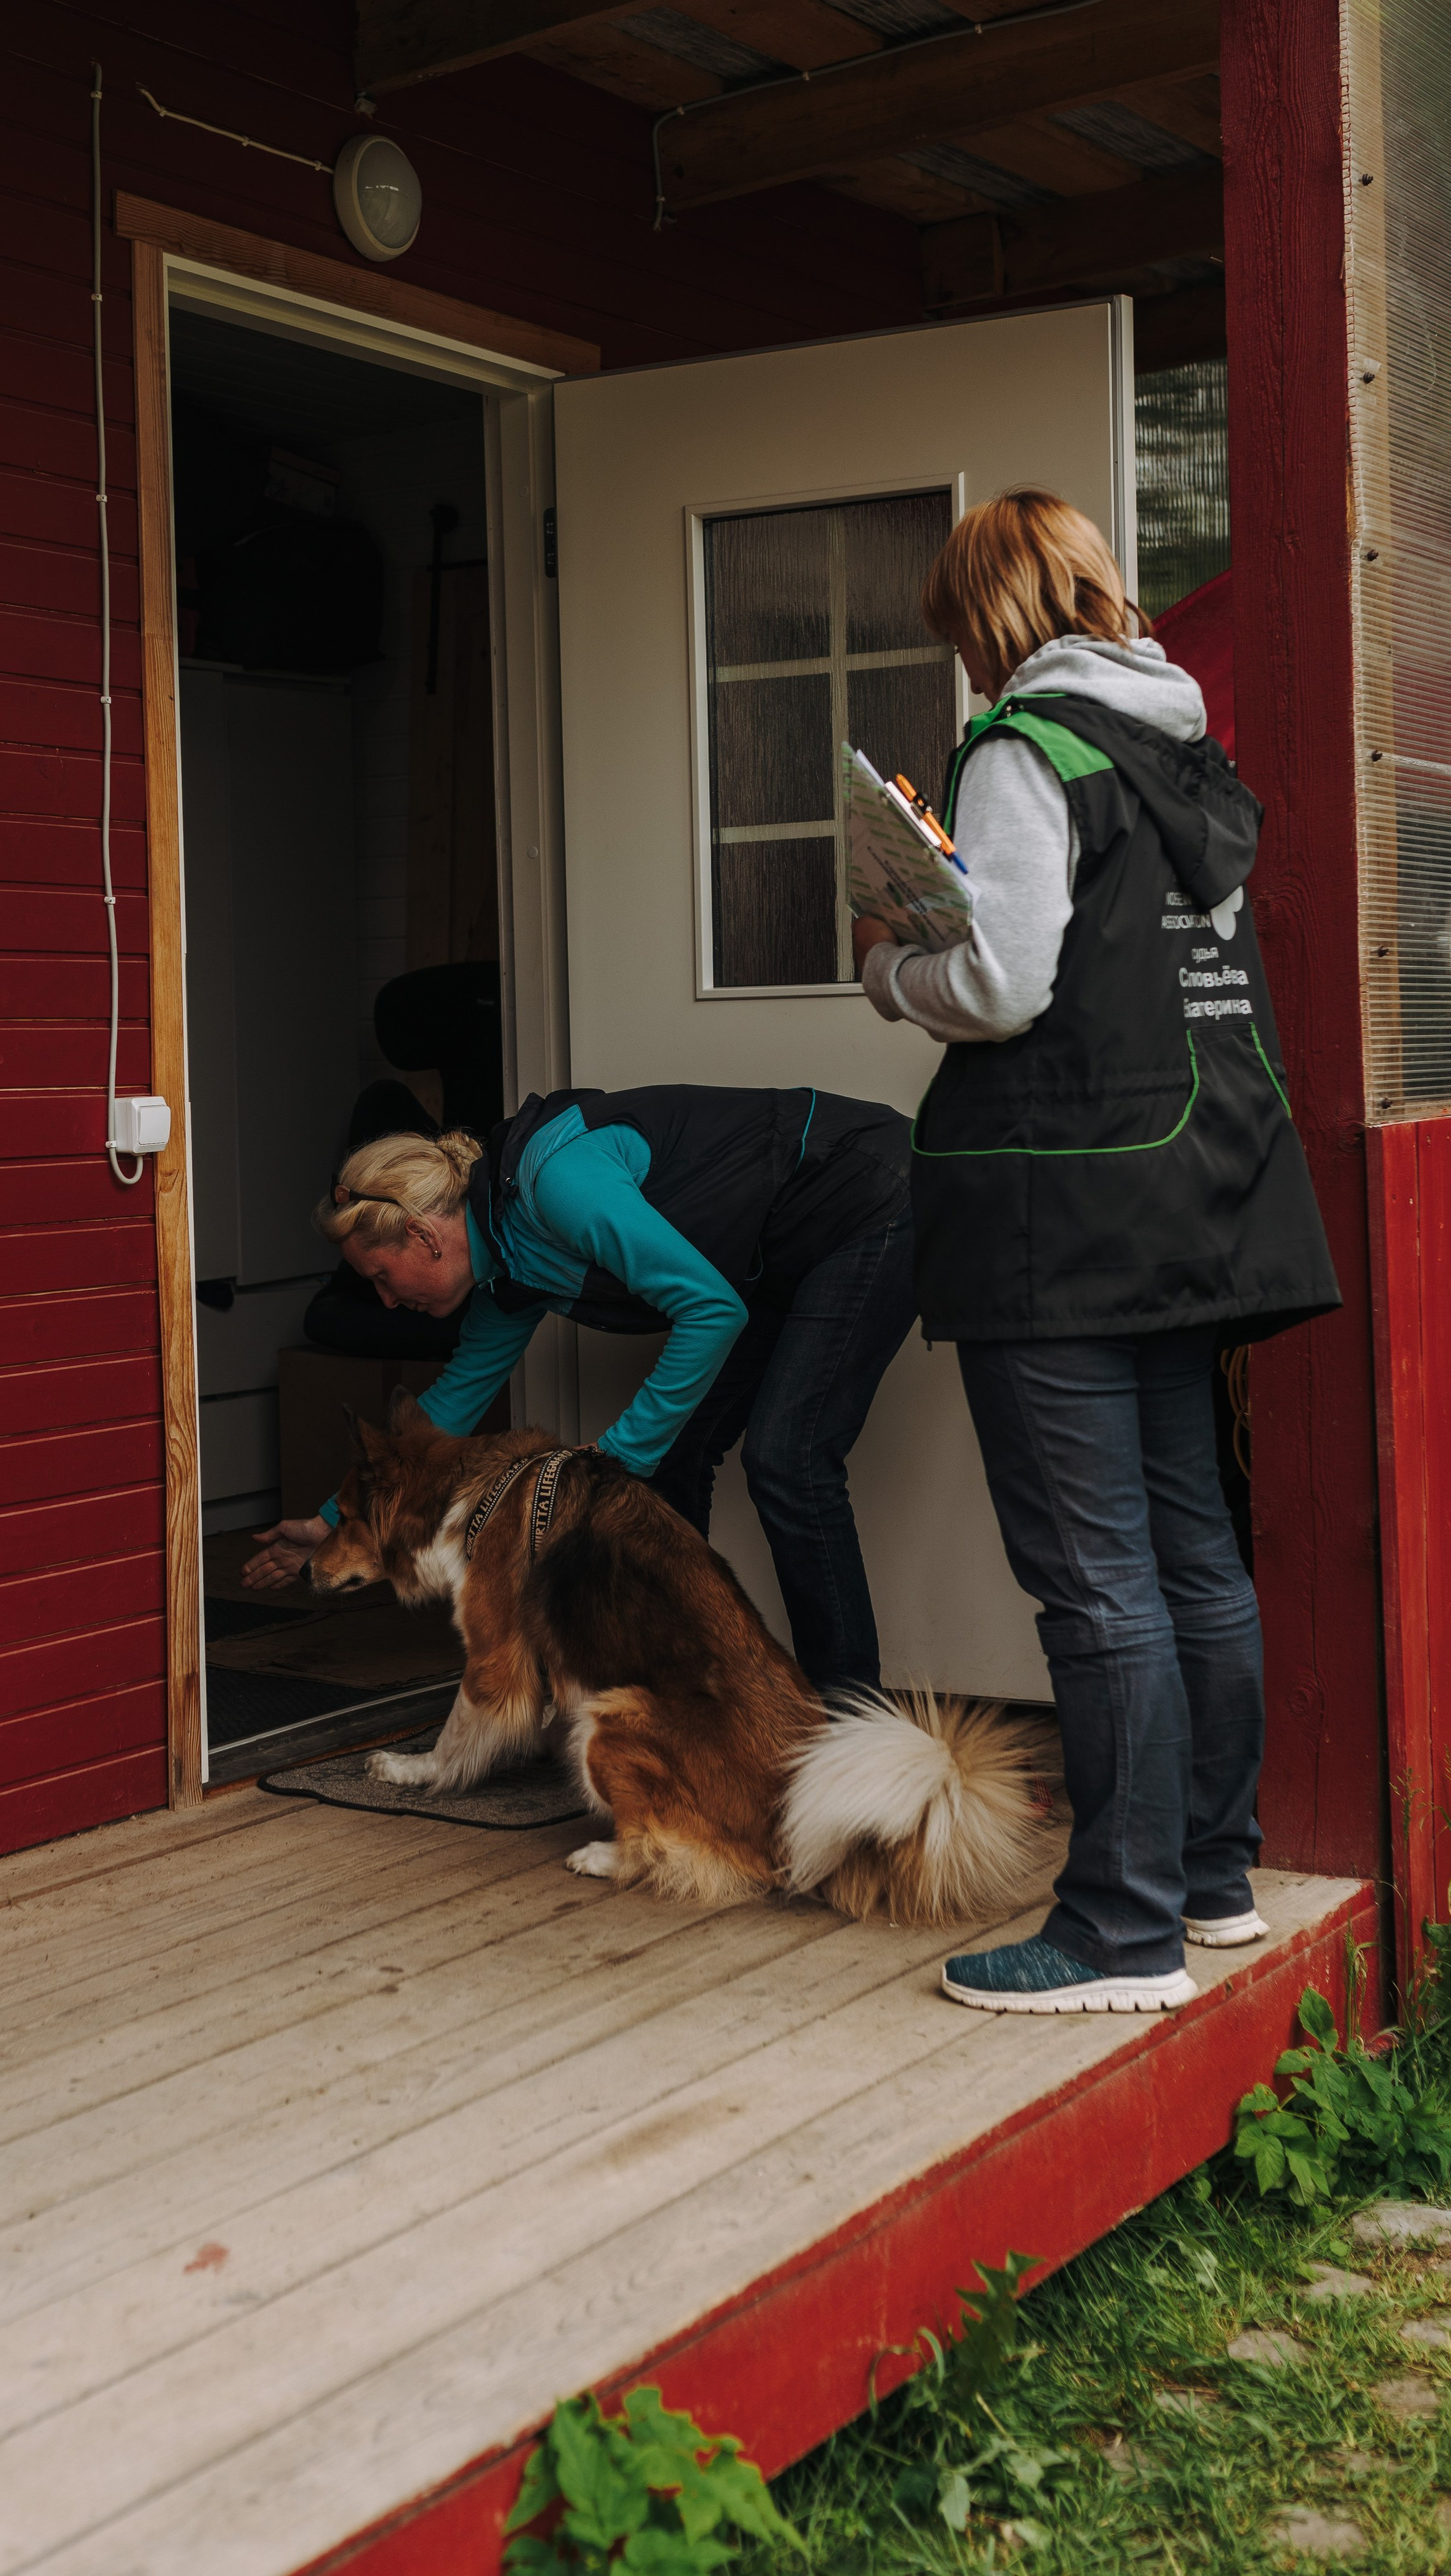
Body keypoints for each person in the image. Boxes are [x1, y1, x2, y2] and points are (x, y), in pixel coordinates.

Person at [853, 488, 1340, 2015]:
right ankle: (1204, 1877)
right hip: (1182, 1206)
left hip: (1052, 1219)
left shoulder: (1025, 749)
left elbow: (1000, 982)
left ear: (986, 620)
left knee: (1096, 1583)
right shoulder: (1182, 749)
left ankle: (1112, 1931)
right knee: (1190, 1551)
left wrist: (887, 967)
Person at [244, 1084, 916, 1696]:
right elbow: (444, 1412)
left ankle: (851, 1719)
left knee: (787, 1459)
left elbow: (710, 1310)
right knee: (677, 1458)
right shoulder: (506, 1268)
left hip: (868, 1195)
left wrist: (616, 1456)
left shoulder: (556, 1181)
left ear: (423, 1235)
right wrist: (333, 1518)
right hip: (781, 1254)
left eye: (383, 1276)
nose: (386, 1301)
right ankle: (677, 1692)